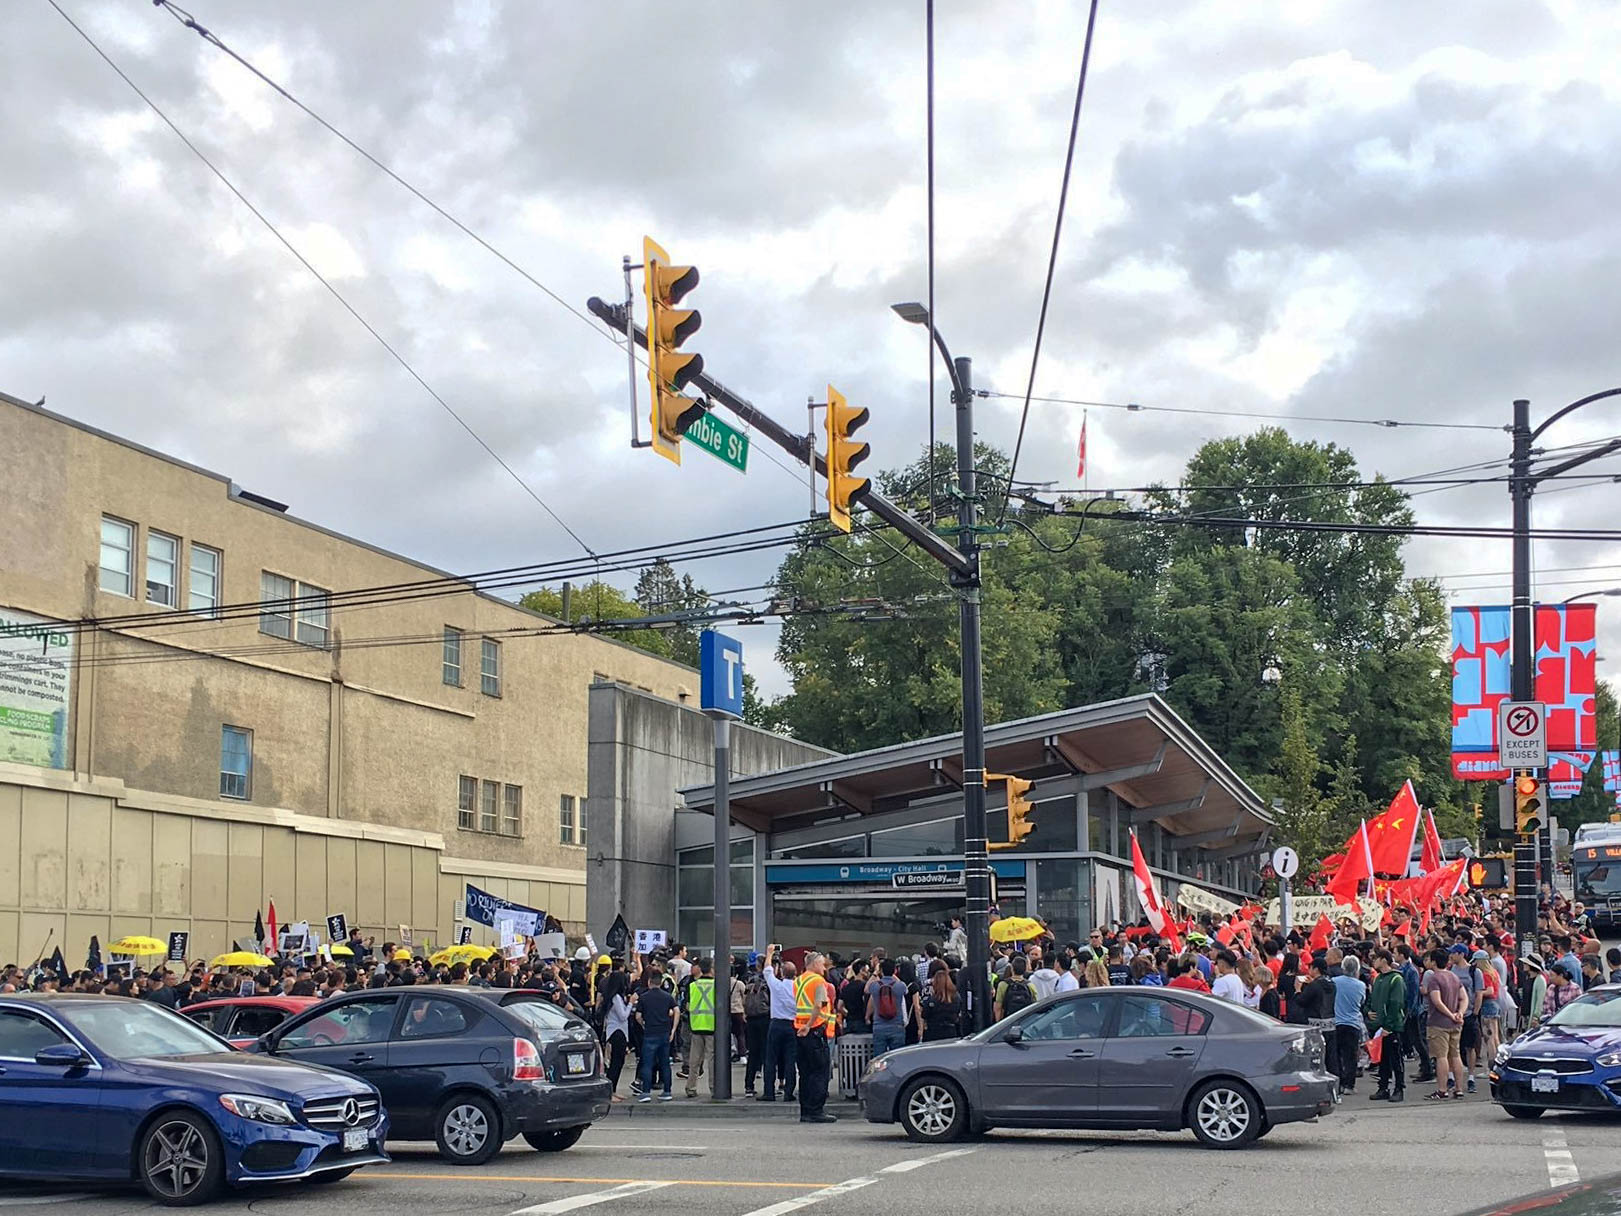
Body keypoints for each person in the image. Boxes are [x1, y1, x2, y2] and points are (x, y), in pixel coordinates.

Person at [794, 951, 838, 1123]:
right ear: (813, 964)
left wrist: (804, 1025)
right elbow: (818, 1006)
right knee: (820, 1071)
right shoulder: (819, 981)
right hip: (814, 1030)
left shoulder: (799, 980)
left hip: (799, 1029)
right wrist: (810, 1024)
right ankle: (816, 1110)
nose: (824, 967)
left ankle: (805, 1110)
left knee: (805, 1073)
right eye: (821, 964)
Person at [1422, 948, 1468, 1102]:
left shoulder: (1435, 978)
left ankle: (1442, 1090)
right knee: (1455, 1055)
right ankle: (1459, 1088)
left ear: (1434, 962)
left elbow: (1437, 1001)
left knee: (1441, 1056)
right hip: (1455, 1023)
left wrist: (1450, 1014)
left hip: (1438, 1022)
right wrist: (1459, 1013)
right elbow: (1464, 997)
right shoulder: (1454, 977)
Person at [633, 963, 678, 1102]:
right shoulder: (667, 997)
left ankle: (646, 1092)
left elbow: (638, 1016)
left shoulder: (644, 997)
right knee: (665, 1063)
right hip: (664, 1032)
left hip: (650, 1033)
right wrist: (673, 1029)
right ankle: (667, 1091)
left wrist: (643, 1025)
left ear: (649, 982)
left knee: (647, 1063)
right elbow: (676, 1011)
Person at [759, 945, 797, 1103]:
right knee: (790, 1061)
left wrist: (769, 953)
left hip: (776, 1025)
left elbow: (767, 970)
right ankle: (789, 1092)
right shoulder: (798, 988)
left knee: (771, 1059)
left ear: (781, 972)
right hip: (792, 1025)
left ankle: (769, 1092)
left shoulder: (777, 986)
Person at [1366, 950, 1406, 1102]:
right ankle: (1383, 1087)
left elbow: (1396, 1004)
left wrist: (1389, 1027)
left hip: (1392, 1027)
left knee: (1395, 1058)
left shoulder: (1396, 979)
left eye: (1375, 958)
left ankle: (1399, 1088)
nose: (1373, 961)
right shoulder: (1378, 979)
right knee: (1382, 1059)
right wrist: (1368, 1011)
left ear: (1384, 960)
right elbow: (1371, 1000)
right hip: (1378, 1025)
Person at [1331, 956, 1367, 1095]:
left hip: (1336, 1022)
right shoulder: (1361, 985)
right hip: (1353, 1024)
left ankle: (1339, 1083)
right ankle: (1349, 1085)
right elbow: (1362, 1001)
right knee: (1351, 1056)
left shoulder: (1334, 982)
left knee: (1337, 1055)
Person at [684, 957, 716, 1099]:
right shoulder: (717, 986)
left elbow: (687, 1006)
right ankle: (714, 1088)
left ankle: (691, 1087)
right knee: (712, 1061)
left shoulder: (692, 986)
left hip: (696, 1026)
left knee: (694, 1061)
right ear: (712, 969)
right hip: (712, 1027)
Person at [867, 958, 908, 1058]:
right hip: (897, 1026)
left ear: (881, 970)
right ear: (895, 970)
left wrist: (876, 973)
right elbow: (906, 990)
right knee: (897, 1057)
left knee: (879, 1059)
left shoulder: (874, 986)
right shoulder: (900, 986)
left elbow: (867, 989)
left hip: (879, 1026)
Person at [919, 960, 962, 1041]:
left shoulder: (932, 999)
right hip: (951, 1031)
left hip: (933, 1032)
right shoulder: (956, 997)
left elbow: (924, 1014)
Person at [994, 955, 1036, 1020]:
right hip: (1024, 1020)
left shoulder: (1003, 984)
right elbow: (1034, 1005)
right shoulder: (1030, 985)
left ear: (1012, 968)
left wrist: (998, 1022)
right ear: (1025, 969)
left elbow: (998, 1007)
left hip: (1008, 1020)